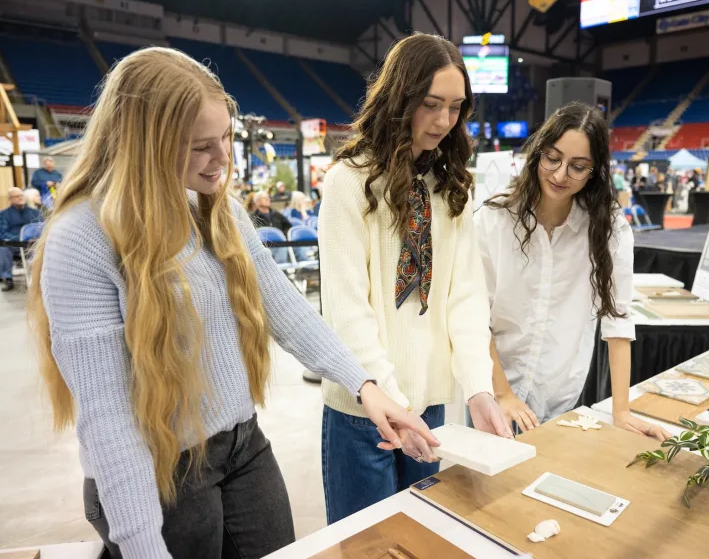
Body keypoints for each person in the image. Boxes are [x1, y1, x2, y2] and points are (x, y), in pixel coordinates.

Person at [27, 47, 438, 559]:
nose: (222, 158)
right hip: (157, 469)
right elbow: (109, 423)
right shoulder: (82, 239)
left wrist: (365, 386)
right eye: (200, 146)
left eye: (226, 137)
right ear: (144, 143)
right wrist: (140, 545)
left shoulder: (214, 209)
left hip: (242, 444)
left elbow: (285, 309)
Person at [318, 32, 511, 525]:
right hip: (364, 410)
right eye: (431, 105)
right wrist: (389, 397)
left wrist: (477, 388)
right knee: (369, 545)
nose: (445, 122)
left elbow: (465, 296)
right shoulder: (349, 181)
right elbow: (346, 308)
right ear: (400, 99)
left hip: (429, 408)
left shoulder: (449, 188)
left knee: (424, 537)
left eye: (455, 107)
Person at [474, 102, 668, 442]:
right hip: (491, 394)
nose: (560, 175)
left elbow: (617, 320)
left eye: (578, 166)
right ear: (537, 153)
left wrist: (621, 411)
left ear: (594, 171)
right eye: (552, 158)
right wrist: (503, 394)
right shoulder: (494, 218)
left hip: (560, 397)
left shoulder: (611, 230)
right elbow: (475, 315)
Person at [0, 187, 43, 291]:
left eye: (21, 195)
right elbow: (3, 233)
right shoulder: (4, 214)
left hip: (32, 243)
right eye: (17, 196)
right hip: (15, 244)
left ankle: (42, 278)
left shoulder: (35, 212)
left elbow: (42, 228)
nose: (20, 198)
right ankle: (7, 279)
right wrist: (19, 239)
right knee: (3, 248)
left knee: (45, 245)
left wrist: (36, 238)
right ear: (10, 199)